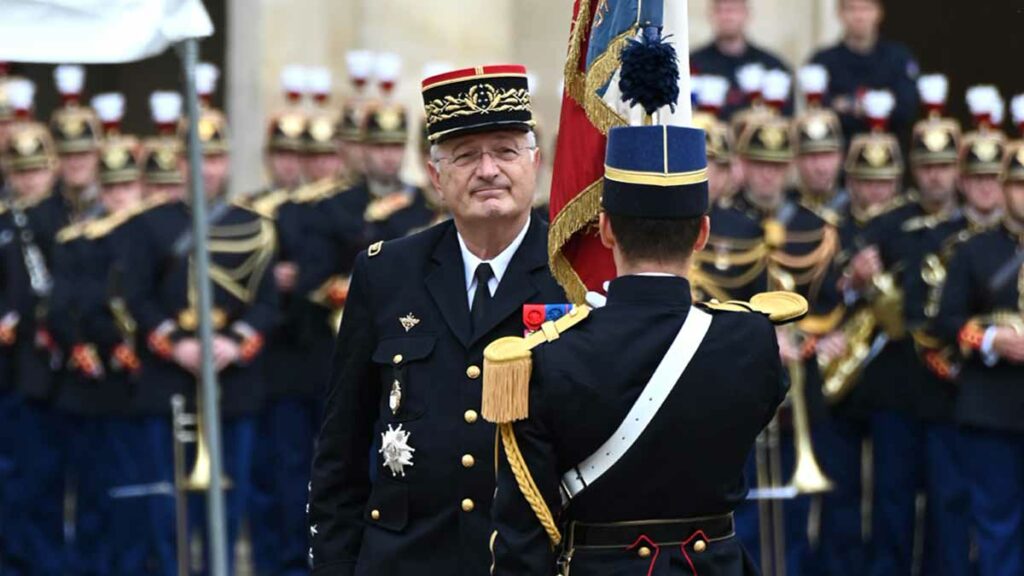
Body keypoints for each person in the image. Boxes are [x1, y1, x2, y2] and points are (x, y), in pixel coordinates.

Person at [487, 120, 803, 575]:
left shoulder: (550, 356)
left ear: (606, 229)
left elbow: (523, 536)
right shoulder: (750, 341)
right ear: (703, 233)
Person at [307, 64, 567, 576]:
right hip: (406, 560)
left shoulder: (572, 273)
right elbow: (341, 447)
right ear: (434, 176)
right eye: (466, 156)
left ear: (534, 162)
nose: (488, 170)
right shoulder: (387, 273)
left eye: (506, 150)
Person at [120, 62, 278, 576]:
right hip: (170, 379)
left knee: (229, 502)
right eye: (197, 157)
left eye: (215, 158)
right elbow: (136, 297)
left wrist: (235, 342)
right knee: (165, 507)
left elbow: (269, 300)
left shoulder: (254, 225)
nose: (206, 168)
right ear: (180, 163)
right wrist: (175, 343)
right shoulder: (149, 225)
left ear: (226, 162)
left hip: (235, 380)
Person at [696, 115, 841, 576]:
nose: (767, 175)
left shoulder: (804, 227)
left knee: (796, 519)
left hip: (793, 383)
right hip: (735, 385)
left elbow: (821, 305)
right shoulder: (725, 226)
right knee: (743, 516)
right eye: (757, 164)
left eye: (777, 166)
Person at [49, 113, 145, 575]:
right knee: (89, 494)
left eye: (128, 186)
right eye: (112, 187)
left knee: (135, 498)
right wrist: (103, 344)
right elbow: (72, 304)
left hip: (139, 386)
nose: (119, 196)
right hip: (92, 385)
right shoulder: (79, 240)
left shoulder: (150, 235)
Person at [936, 144, 1024, 576]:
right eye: (1020, 185)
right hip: (991, 410)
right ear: (1004, 189)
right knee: (996, 528)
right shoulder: (974, 250)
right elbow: (947, 321)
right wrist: (991, 339)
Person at [808, 0, 920, 145]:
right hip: (840, 155)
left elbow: (906, 111)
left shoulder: (899, 58)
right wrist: (881, 105)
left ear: (879, 13)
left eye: (866, 9)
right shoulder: (822, 61)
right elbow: (819, 114)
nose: (859, 16)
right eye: (851, 9)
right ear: (839, 13)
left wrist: (848, 105)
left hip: (891, 156)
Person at [691, 0, 794, 120]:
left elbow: (786, 121)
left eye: (734, 10)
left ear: (747, 14)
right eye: (720, 10)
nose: (727, 17)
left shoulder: (772, 66)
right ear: (710, 15)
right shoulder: (692, 65)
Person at [49, 65, 101, 216]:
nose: (75, 162)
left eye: (83, 153)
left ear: (98, 155)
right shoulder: (46, 208)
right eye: (66, 154)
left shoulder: (112, 203)